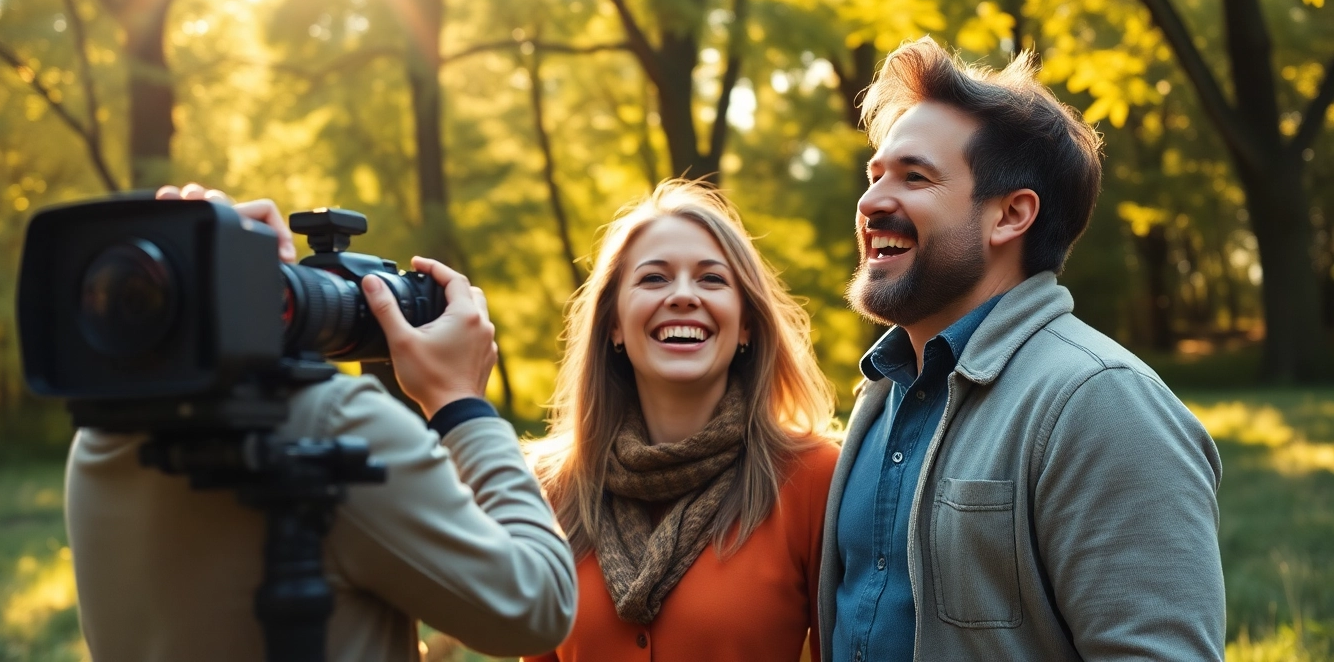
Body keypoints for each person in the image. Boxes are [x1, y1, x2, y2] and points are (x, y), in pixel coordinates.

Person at [820, 39, 1226, 661]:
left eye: (914, 177)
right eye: (874, 176)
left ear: (1010, 215)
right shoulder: (882, 394)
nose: (870, 202)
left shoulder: (1101, 400)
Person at [66, 184, 577, 662]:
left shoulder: (100, 440)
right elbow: (540, 606)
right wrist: (460, 403)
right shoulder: (336, 424)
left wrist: (194, 274)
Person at [524, 180, 840, 662]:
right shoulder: (552, 489)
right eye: (654, 279)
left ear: (747, 324)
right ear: (612, 323)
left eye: (712, 279)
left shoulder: (813, 479)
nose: (683, 296)